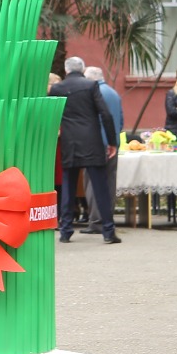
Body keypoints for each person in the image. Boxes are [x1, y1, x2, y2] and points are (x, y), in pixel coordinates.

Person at [49, 56, 120, 244]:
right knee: (100, 187)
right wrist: (112, 142)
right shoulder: (90, 86)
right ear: (82, 69)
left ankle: (65, 231)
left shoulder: (57, 89)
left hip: (69, 142)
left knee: (68, 186)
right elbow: (105, 114)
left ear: (66, 70)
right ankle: (108, 231)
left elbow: (50, 117)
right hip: (92, 142)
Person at [81, 65, 123, 234]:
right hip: (113, 144)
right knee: (110, 182)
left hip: (96, 145)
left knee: (92, 183)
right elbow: (120, 121)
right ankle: (108, 218)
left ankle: (96, 221)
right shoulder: (114, 94)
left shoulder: (93, 93)